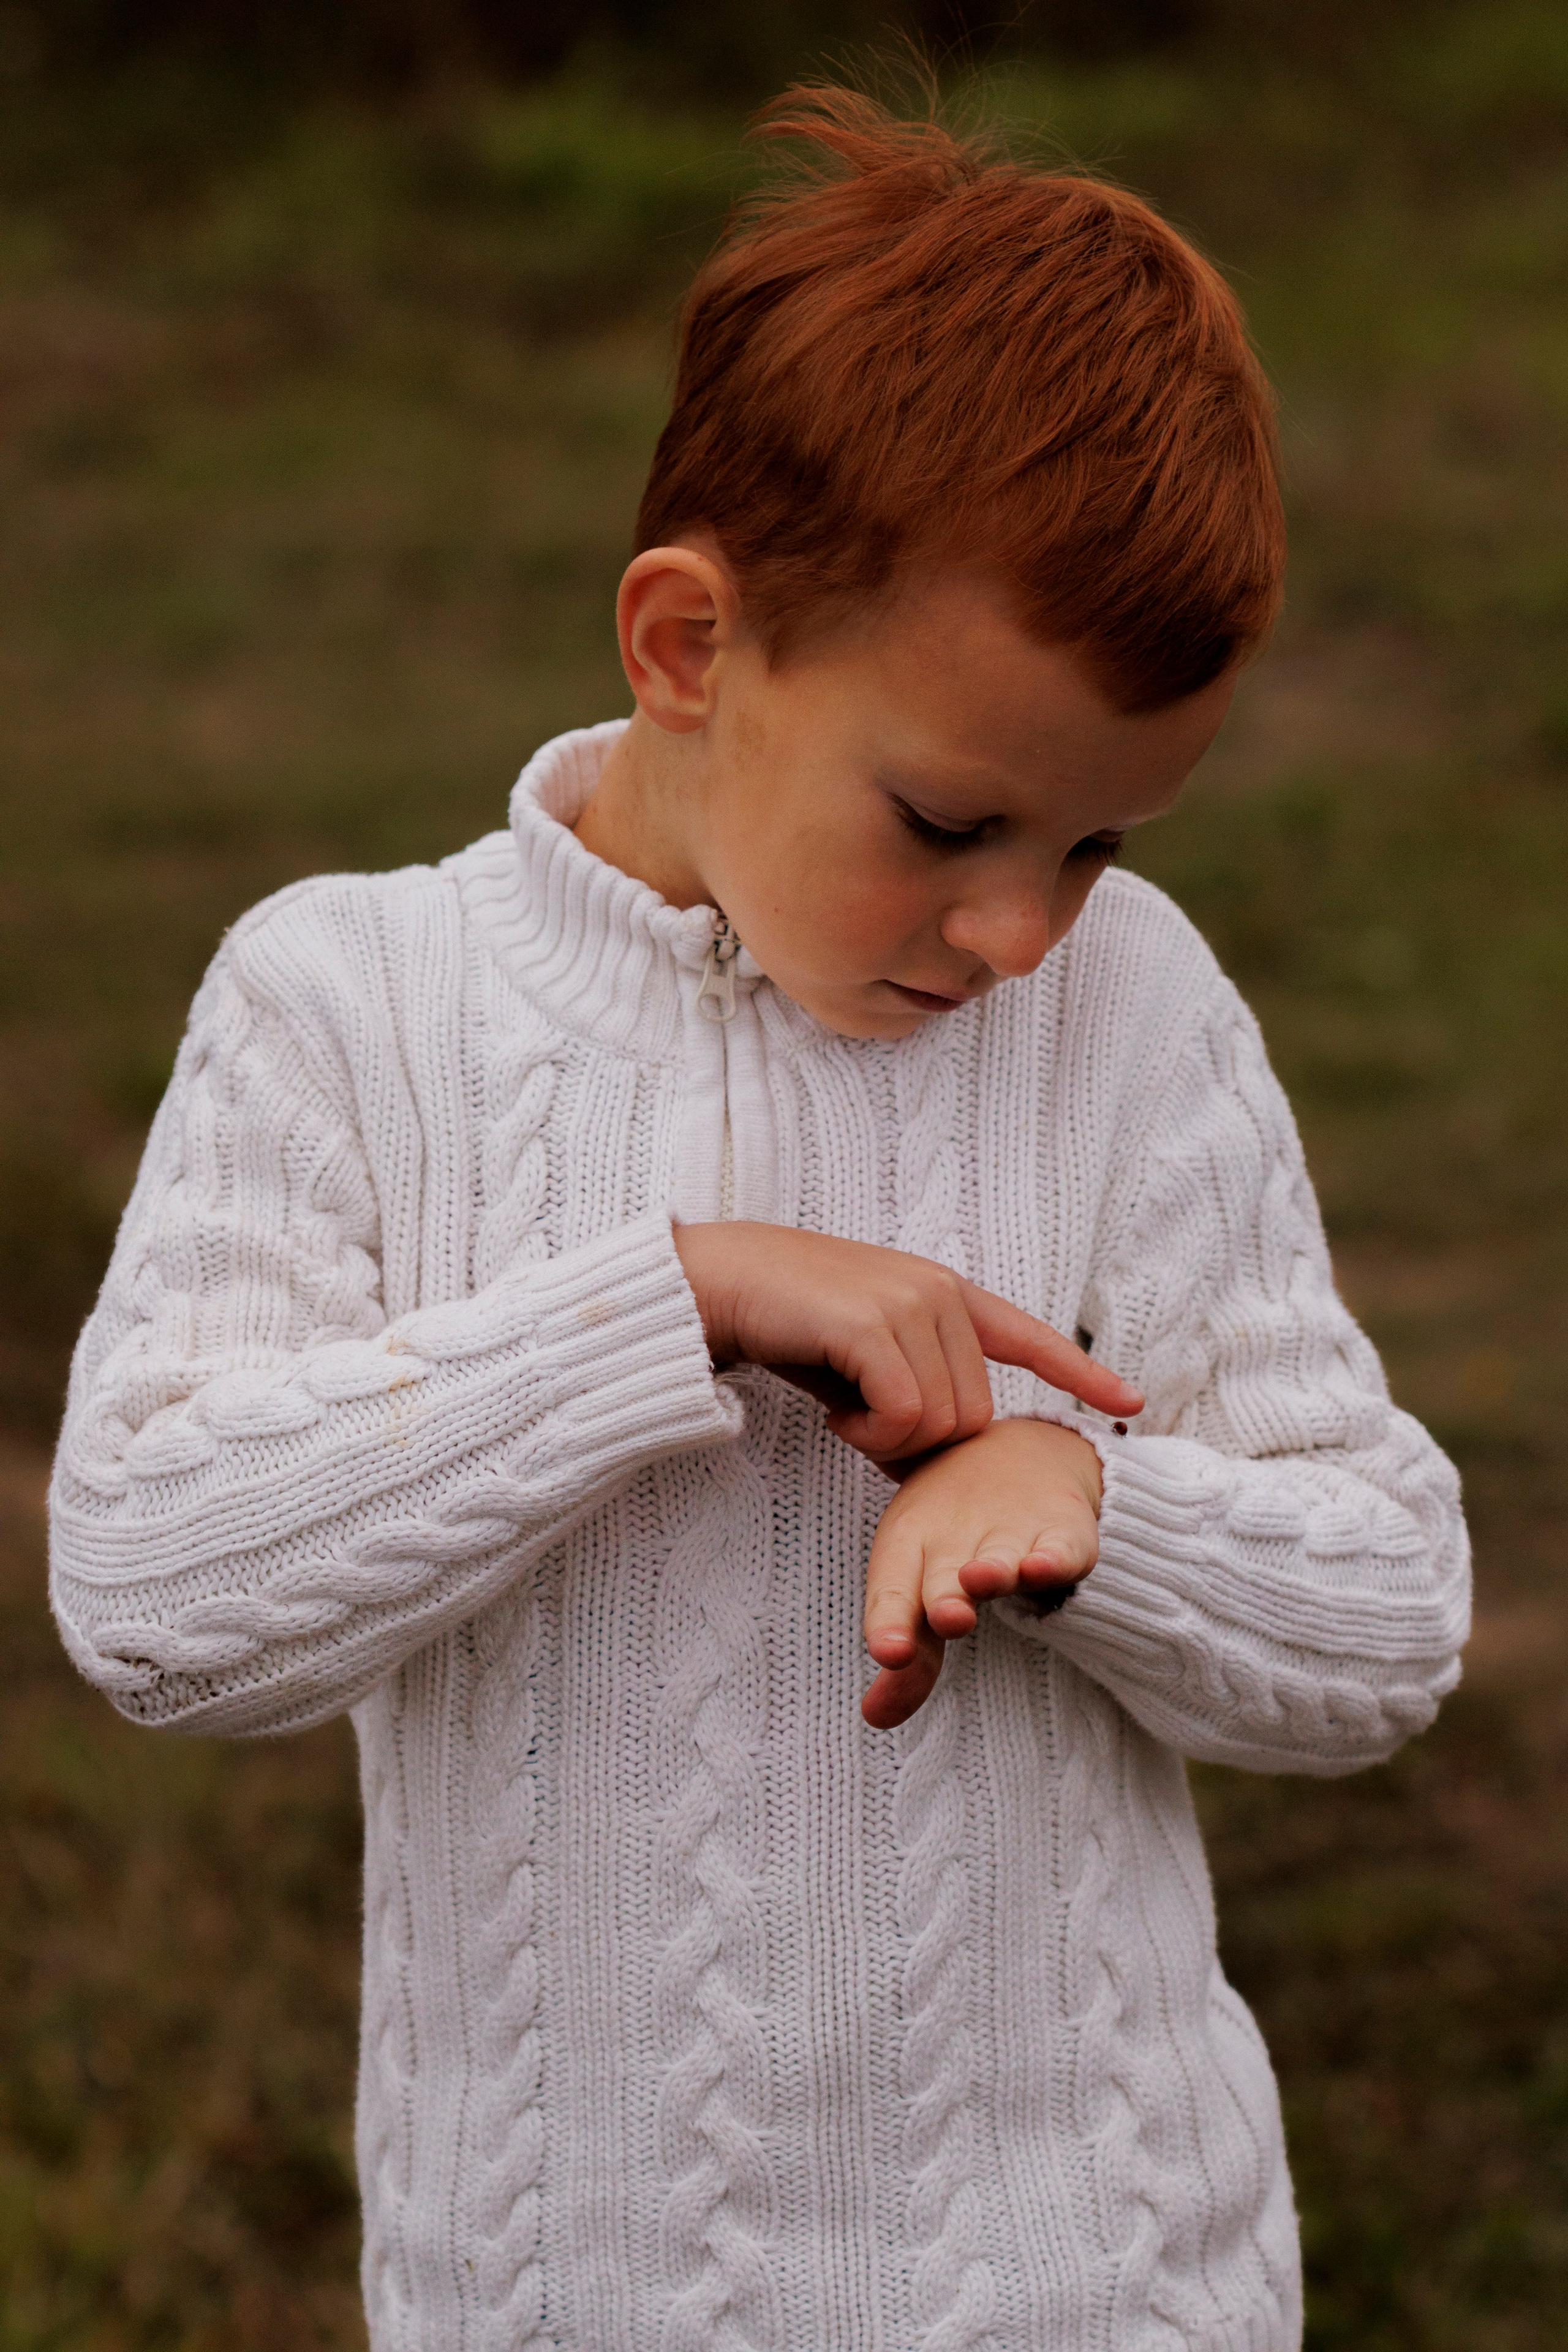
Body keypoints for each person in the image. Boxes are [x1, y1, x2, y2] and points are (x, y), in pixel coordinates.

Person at [49, 85, 1469, 2352]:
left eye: (1098, 845)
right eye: (952, 820)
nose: (1024, 932)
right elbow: (151, 1595)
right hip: (557, 2294)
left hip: (1101, 2281)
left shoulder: (1129, 1020)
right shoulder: (349, 1007)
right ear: (689, 646)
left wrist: (1084, 1500)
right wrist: (661, 1305)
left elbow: (1390, 1617)